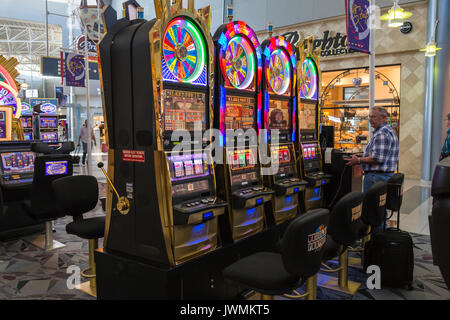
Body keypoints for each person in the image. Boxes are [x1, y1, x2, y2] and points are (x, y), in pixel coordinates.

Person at [346, 107, 399, 228]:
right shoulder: (389, 131)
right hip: (383, 176)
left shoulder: (381, 133)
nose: (370, 119)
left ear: (384, 117)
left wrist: (358, 160)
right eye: (369, 116)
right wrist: (363, 156)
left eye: (374, 117)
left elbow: (377, 159)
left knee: (372, 212)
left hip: (376, 177)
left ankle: (375, 240)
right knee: (379, 210)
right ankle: (380, 238)